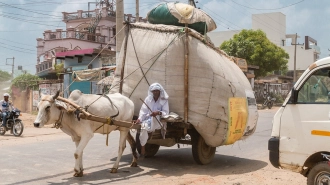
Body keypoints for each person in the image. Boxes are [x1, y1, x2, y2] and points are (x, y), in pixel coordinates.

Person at [134, 83, 169, 159]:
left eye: (157, 91)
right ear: (152, 92)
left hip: (158, 121)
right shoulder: (148, 99)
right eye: (154, 91)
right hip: (148, 120)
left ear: (160, 91)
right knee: (143, 127)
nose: (155, 92)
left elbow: (166, 113)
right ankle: (143, 150)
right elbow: (143, 111)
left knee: (152, 121)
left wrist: (158, 113)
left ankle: (150, 132)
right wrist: (139, 119)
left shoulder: (164, 100)